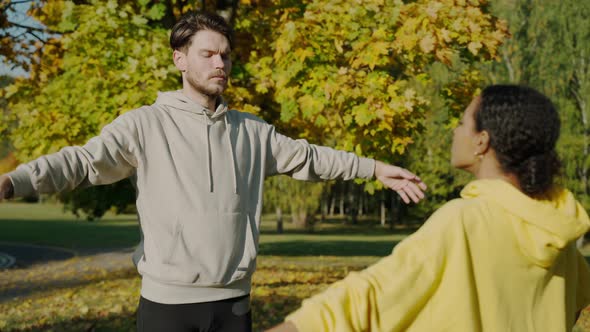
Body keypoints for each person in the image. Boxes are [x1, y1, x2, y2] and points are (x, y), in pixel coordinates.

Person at [0, 11, 427, 332]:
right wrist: (13, 181)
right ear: (180, 60)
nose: (219, 63)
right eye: (207, 54)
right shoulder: (145, 124)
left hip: (233, 303)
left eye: (224, 55)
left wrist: (374, 168)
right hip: (165, 305)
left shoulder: (253, 132)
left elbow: (313, 158)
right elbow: (79, 161)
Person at [268, 84, 590, 332]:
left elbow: (373, 295)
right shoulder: (557, 231)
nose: (455, 131)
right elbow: (574, 305)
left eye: (462, 122)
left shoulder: (463, 220)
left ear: (482, 141)